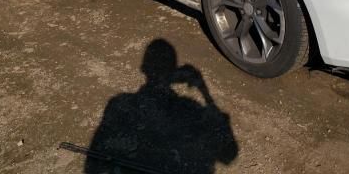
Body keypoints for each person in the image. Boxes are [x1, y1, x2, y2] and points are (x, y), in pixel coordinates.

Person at [85, 39, 238, 173]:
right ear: (174, 72)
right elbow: (228, 155)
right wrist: (204, 91)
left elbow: (92, 166)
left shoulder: (119, 104)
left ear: (143, 68)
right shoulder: (190, 108)